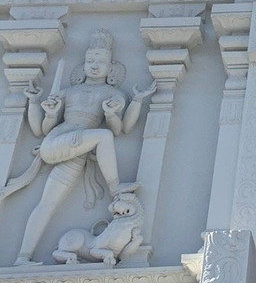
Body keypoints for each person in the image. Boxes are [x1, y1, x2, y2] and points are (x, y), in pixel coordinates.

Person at [3, 30, 154, 265]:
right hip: (58, 141)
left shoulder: (113, 94)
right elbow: (41, 129)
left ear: (110, 66)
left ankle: (23, 256)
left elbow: (120, 128)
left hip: (78, 153)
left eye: (100, 62)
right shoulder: (68, 92)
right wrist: (41, 107)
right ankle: (116, 189)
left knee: (47, 204)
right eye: (90, 61)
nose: (94, 66)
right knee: (102, 136)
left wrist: (128, 104)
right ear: (83, 64)